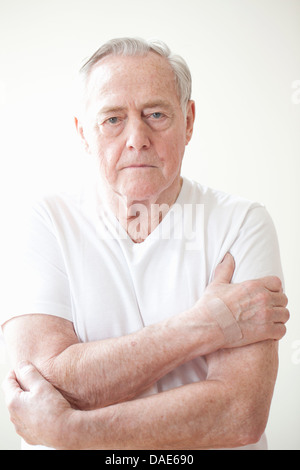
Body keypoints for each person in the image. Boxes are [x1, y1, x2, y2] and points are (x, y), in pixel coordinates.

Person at [1, 37, 289, 450]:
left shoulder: (242, 223)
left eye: (155, 114)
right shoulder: (43, 222)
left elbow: (238, 414)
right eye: (113, 119)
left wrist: (70, 431)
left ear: (189, 121)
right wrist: (207, 325)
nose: (137, 138)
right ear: (83, 132)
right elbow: (45, 381)